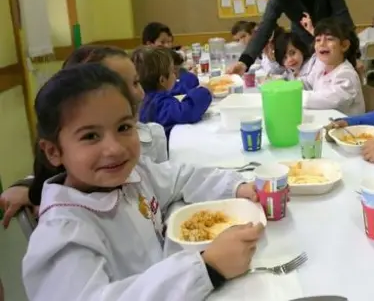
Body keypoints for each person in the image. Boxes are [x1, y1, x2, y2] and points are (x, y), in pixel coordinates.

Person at [21, 63, 263, 300]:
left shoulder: (135, 176)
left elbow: (179, 177)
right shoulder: (63, 235)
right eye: (91, 136)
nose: (114, 148)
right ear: (53, 151)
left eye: (124, 127)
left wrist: (234, 186)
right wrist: (207, 268)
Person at [0, 45, 169, 228]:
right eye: (90, 136)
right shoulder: (66, 233)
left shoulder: (142, 140)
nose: (137, 94)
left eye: (136, 82)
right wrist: (27, 189)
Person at [133, 46, 212, 137]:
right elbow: (186, 111)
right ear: (162, 80)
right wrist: (204, 91)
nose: (176, 75)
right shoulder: (159, 104)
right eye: (172, 72)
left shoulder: (146, 98)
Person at [302, 18, 364, 116]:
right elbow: (307, 83)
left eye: (329, 39)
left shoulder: (347, 75)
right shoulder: (322, 66)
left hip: (346, 128)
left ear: (344, 45)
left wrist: (293, 95)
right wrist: (288, 85)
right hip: (325, 120)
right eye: (318, 40)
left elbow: (327, 100)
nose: (322, 43)